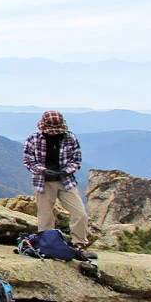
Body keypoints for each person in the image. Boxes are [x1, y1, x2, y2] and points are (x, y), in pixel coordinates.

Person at [22, 111, 97, 259]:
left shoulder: (70, 138)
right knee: (45, 217)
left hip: (66, 181)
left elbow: (76, 160)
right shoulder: (33, 139)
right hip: (43, 182)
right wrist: (44, 171)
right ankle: (47, 246)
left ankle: (79, 245)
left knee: (80, 214)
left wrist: (65, 171)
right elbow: (28, 161)